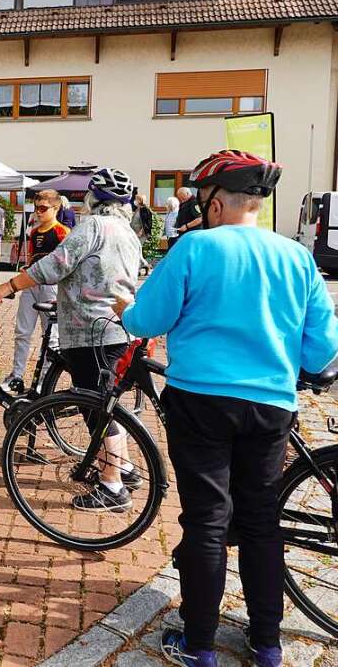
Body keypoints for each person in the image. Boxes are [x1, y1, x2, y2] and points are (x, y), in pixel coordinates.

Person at [113, 151, 338, 667]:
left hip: (201, 402)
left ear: (214, 204)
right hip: (270, 406)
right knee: (261, 520)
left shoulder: (194, 248)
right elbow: (321, 350)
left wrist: (127, 309)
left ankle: (199, 645)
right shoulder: (297, 257)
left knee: (208, 521)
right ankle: (267, 644)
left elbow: (148, 320)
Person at [0, 167, 142, 511]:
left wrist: (9, 285)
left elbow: (54, 265)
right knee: (105, 404)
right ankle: (125, 467)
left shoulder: (91, 227)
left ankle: (112, 486)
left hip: (89, 330)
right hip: (119, 328)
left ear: (92, 199)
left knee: (96, 411)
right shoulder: (128, 232)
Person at [3, 189, 69, 393]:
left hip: (50, 287)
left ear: (55, 208)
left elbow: (65, 263)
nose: (38, 212)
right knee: (22, 331)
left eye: (43, 208)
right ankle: (16, 375)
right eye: (36, 208)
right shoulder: (33, 232)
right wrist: (27, 268)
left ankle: (44, 381)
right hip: (31, 284)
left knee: (50, 335)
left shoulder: (62, 232)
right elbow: (33, 256)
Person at [131, 193, 154, 274]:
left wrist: (141, 232)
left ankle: (139, 269)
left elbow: (147, 223)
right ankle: (145, 266)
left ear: (140, 200)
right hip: (134, 234)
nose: (135, 201)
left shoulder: (145, 210)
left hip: (141, 235)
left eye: (136, 199)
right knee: (136, 251)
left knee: (136, 251)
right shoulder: (137, 209)